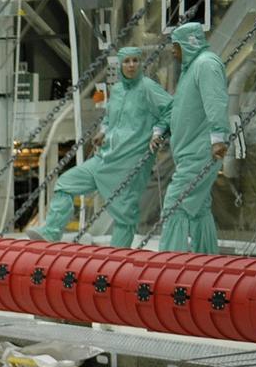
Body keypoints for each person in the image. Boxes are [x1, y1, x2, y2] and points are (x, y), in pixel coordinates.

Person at [27, 46, 172, 247]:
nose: (131, 65)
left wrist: (157, 132)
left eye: (135, 61)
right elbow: (110, 117)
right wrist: (103, 131)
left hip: (130, 162)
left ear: (141, 63)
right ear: (120, 65)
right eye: (127, 61)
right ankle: (51, 231)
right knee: (66, 183)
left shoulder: (148, 88)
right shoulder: (118, 90)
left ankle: (118, 258)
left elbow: (172, 109)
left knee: (124, 214)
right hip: (105, 157)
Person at [152, 22, 229, 253]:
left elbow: (215, 102)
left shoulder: (205, 65)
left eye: (175, 46)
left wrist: (218, 138)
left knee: (175, 206)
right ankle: (207, 260)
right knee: (198, 208)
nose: (173, 52)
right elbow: (179, 106)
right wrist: (159, 130)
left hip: (201, 152)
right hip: (190, 153)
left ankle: (169, 266)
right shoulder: (192, 69)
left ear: (188, 43)